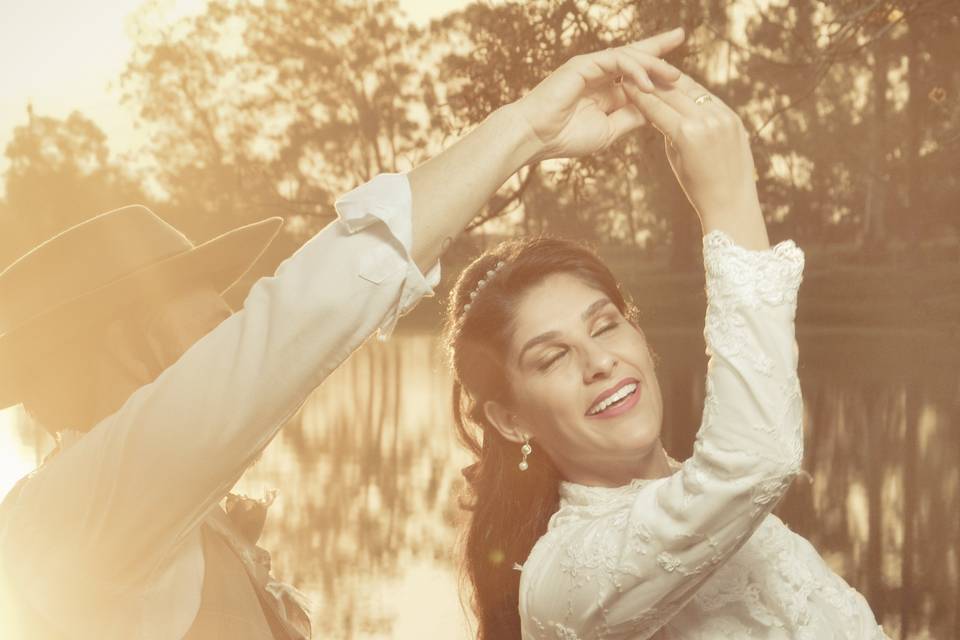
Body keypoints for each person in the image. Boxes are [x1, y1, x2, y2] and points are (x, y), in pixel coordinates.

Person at [0, 27, 689, 640]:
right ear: (133, 342)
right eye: (203, 300)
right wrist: (525, 131)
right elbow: (302, 315)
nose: (230, 314)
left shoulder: (141, 508)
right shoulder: (76, 513)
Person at [443, 74, 891, 638]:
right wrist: (727, 196)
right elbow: (756, 459)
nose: (598, 361)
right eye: (552, 357)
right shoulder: (561, 580)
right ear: (510, 420)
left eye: (605, 326)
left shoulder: (717, 508)